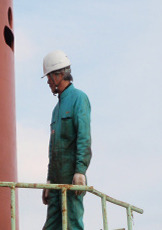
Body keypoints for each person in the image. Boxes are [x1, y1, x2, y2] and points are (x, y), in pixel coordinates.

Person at [41, 50, 92, 230]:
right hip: (56, 182)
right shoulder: (56, 110)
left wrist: (80, 171)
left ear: (60, 74)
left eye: (49, 76)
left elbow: (84, 137)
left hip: (71, 179)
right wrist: (48, 180)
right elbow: (52, 148)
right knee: (51, 227)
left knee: (72, 224)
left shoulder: (79, 98)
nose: (48, 81)